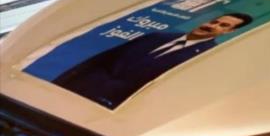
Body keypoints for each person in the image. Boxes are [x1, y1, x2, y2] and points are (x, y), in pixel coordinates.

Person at [53, 13, 253, 108]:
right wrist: (60, 83)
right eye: (214, 20)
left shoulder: (207, 58)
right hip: (75, 91)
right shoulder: (157, 36)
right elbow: (100, 60)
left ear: (229, 31)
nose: (212, 25)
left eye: (222, 25)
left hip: (112, 110)